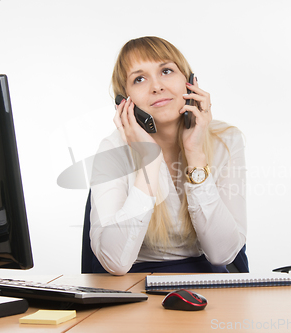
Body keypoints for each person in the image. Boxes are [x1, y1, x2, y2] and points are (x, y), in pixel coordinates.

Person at [88, 36, 247, 275]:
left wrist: (195, 154)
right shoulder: (112, 150)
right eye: (139, 78)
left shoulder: (226, 140)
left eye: (166, 70)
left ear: (190, 82)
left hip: (208, 288)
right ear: (124, 101)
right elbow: (115, 263)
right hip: (135, 288)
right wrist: (149, 163)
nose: (156, 86)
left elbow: (222, 254)